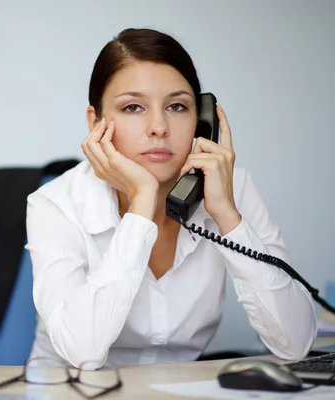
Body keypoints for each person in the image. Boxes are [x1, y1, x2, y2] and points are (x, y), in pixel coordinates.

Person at [25, 28, 317, 369]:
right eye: (133, 107)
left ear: (202, 120)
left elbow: (296, 343)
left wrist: (225, 213)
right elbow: (83, 352)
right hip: (73, 391)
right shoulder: (55, 203)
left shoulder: (230, 187)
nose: (159, 127)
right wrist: (142, 201)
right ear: (96, 123)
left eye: (177, 106)